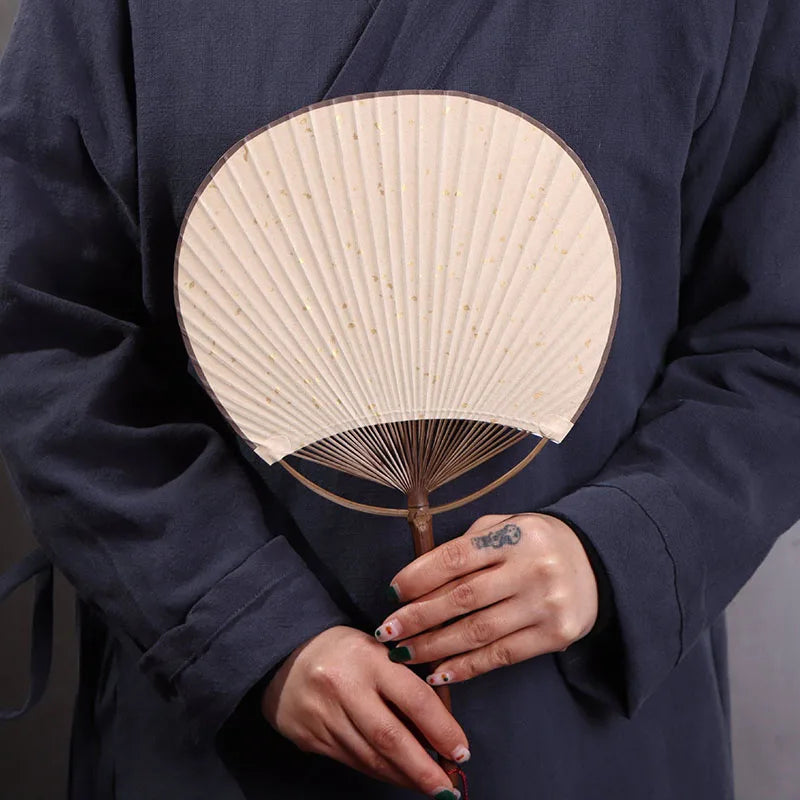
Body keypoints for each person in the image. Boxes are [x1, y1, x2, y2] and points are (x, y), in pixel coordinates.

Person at [1, 0, 798, 798]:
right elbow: (44, 326)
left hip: (579, 721)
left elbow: (775, 335)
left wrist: (620, 547)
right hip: (225, 720)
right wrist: (242, 624)